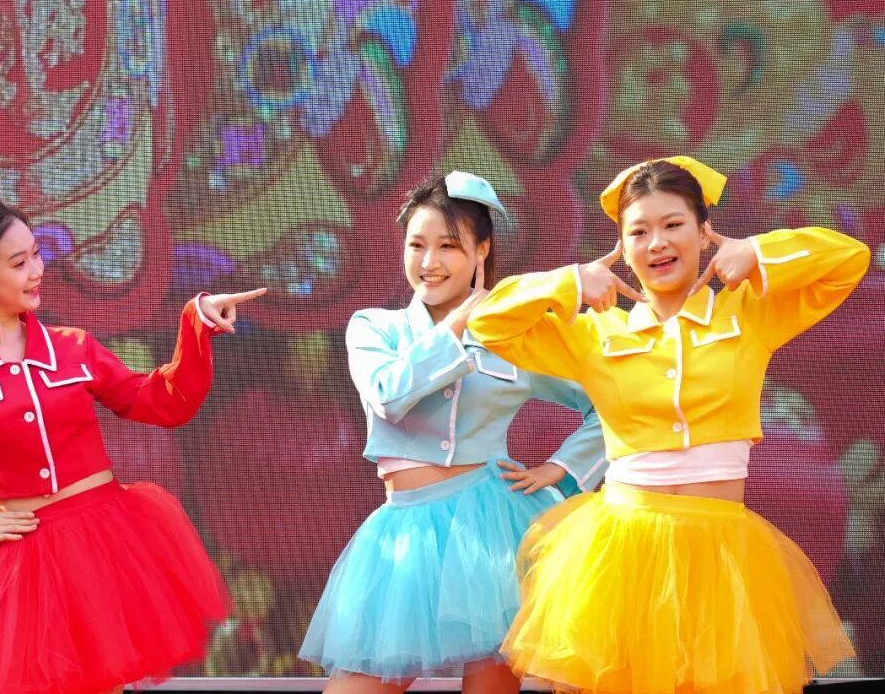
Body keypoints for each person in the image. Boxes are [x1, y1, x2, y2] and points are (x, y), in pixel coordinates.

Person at [469, 156, 866, 693]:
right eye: (639, 232)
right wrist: (570, 281)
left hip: (722, 555)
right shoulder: (596, 333)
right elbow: (486, 323)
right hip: (621, 553)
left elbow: (848, 260)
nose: (656, 243)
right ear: (621, 247)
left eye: (673, 224)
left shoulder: (748, 314)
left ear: (704, 233)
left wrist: (758, 252)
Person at [0, 197, 264, 694]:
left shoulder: (72, 347)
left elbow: (162, 403)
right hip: (24, 566)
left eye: (37, 254)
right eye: (19, 262)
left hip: (105, 546)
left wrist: (196, 324)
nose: (37, 270)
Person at [299, 172, 607, 694]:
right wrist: (457, 327)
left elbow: (609, 403)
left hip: (497, 530)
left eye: (448, 246)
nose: (429, 261)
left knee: (493, 681)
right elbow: (387, 395)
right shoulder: (375, 327)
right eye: (416, 245)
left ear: (482, 251)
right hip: (405, 534)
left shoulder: (518, 338)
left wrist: (562, 469)